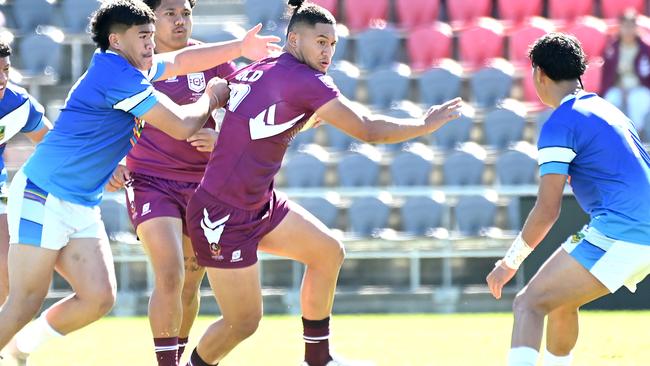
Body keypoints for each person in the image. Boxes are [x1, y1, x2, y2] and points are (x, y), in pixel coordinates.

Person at [183, 1, 462, 366]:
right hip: (222, 214)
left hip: (257, 204)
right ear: (294, 39)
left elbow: (233, 98)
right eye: (320, 42)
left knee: (327, 252)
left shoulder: (264, 67)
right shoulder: (305, 80)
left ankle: (318, 359)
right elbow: (368, 130)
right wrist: (423, 126)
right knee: (243, 323)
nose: (328, 51)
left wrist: (219, 124)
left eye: (332, 43)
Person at [0, 0, 279, 363]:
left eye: (151, 35)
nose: (152, 44)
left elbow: (180, 61)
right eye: (144, 36)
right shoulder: (117, 74)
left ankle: (21, 349)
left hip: (81, 201)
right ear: (116, 40)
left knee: (98, 297)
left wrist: (240, 48)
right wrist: (212, 97)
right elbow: (181, 124)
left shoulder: (132, 67)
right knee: (25, 300)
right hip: (43, 195)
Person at [486, 32, 650, 366]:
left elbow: (547, 209)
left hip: (625, 231)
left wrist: (508, 264)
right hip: (634, 229)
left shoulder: (560, 123)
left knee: (528, 304)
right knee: (560, 301)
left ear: (539, 74)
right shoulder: (607, 109)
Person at [107, 0, 237, 365]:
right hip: (150, 181)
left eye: (186, 14)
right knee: (169, 273)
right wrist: (111, 161)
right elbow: (100, 117)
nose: (180, 22)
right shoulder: (131, 65)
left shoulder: (212, 59)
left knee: (190, 282)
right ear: (151, 19)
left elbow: (247, 116)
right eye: (170, 14)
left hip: (204, 185)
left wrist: (222, 139)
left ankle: (176, 359)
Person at [0, 40, 52, 306]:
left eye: (6, 70)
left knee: (4, 269)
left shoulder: (17, 104)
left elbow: (51, 144)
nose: (2, 79)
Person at [601, 9, 650, 135]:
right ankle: (614, 135)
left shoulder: (645, 49)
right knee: (611, 99)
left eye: (631, 26)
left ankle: (636, 134)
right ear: (620, 27)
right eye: (625, 26)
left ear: (636, 28)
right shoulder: (612, 48)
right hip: (618, 88)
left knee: (637, 100)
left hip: (639, 88)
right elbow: (606, 75)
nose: (628, 30)